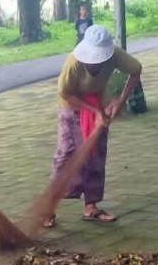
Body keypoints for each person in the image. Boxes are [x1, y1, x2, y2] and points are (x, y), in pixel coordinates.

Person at [47, 25, 144, 227]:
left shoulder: (115, 55)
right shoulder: (73, 63)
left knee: (96, 153)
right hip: (71, 106)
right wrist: (93, 111)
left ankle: (91, 206)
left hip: (97, 103)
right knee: (66, 153)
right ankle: (48, 208)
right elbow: (65, 94)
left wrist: (120, 100)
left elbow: (136, 70)